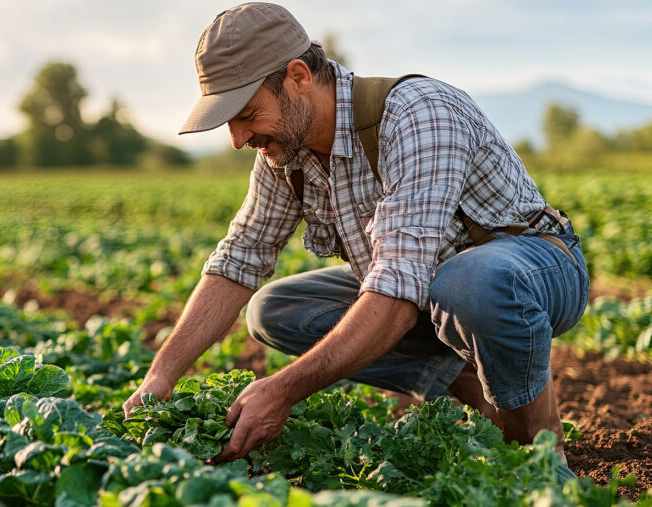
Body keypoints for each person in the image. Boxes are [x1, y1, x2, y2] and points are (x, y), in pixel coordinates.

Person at [122, 2, 587, 480]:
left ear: (298, 76)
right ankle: (477, 382)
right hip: (426, 291)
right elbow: (240, 259)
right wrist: (161, 376)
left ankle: (537, 450)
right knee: (274, 311)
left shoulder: (416, 114)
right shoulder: (285, 153)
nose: (239, 139)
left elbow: (397, 292)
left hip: (535, 271)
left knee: (470, 283)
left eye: (246, 114)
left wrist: (281, 391)